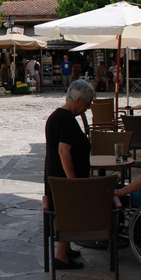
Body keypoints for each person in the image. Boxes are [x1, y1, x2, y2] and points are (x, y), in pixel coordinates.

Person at [45, 80, 96, 270]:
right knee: (66, 213)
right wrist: (72, 182)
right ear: (79, 100)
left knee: (65, 213)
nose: (88, 108)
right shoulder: (65, 119)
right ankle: (61, 257)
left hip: (57, 177)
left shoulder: (59, 116)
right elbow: (63, 151)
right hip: (63, 180)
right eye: (87, 104)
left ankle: (65, 249)